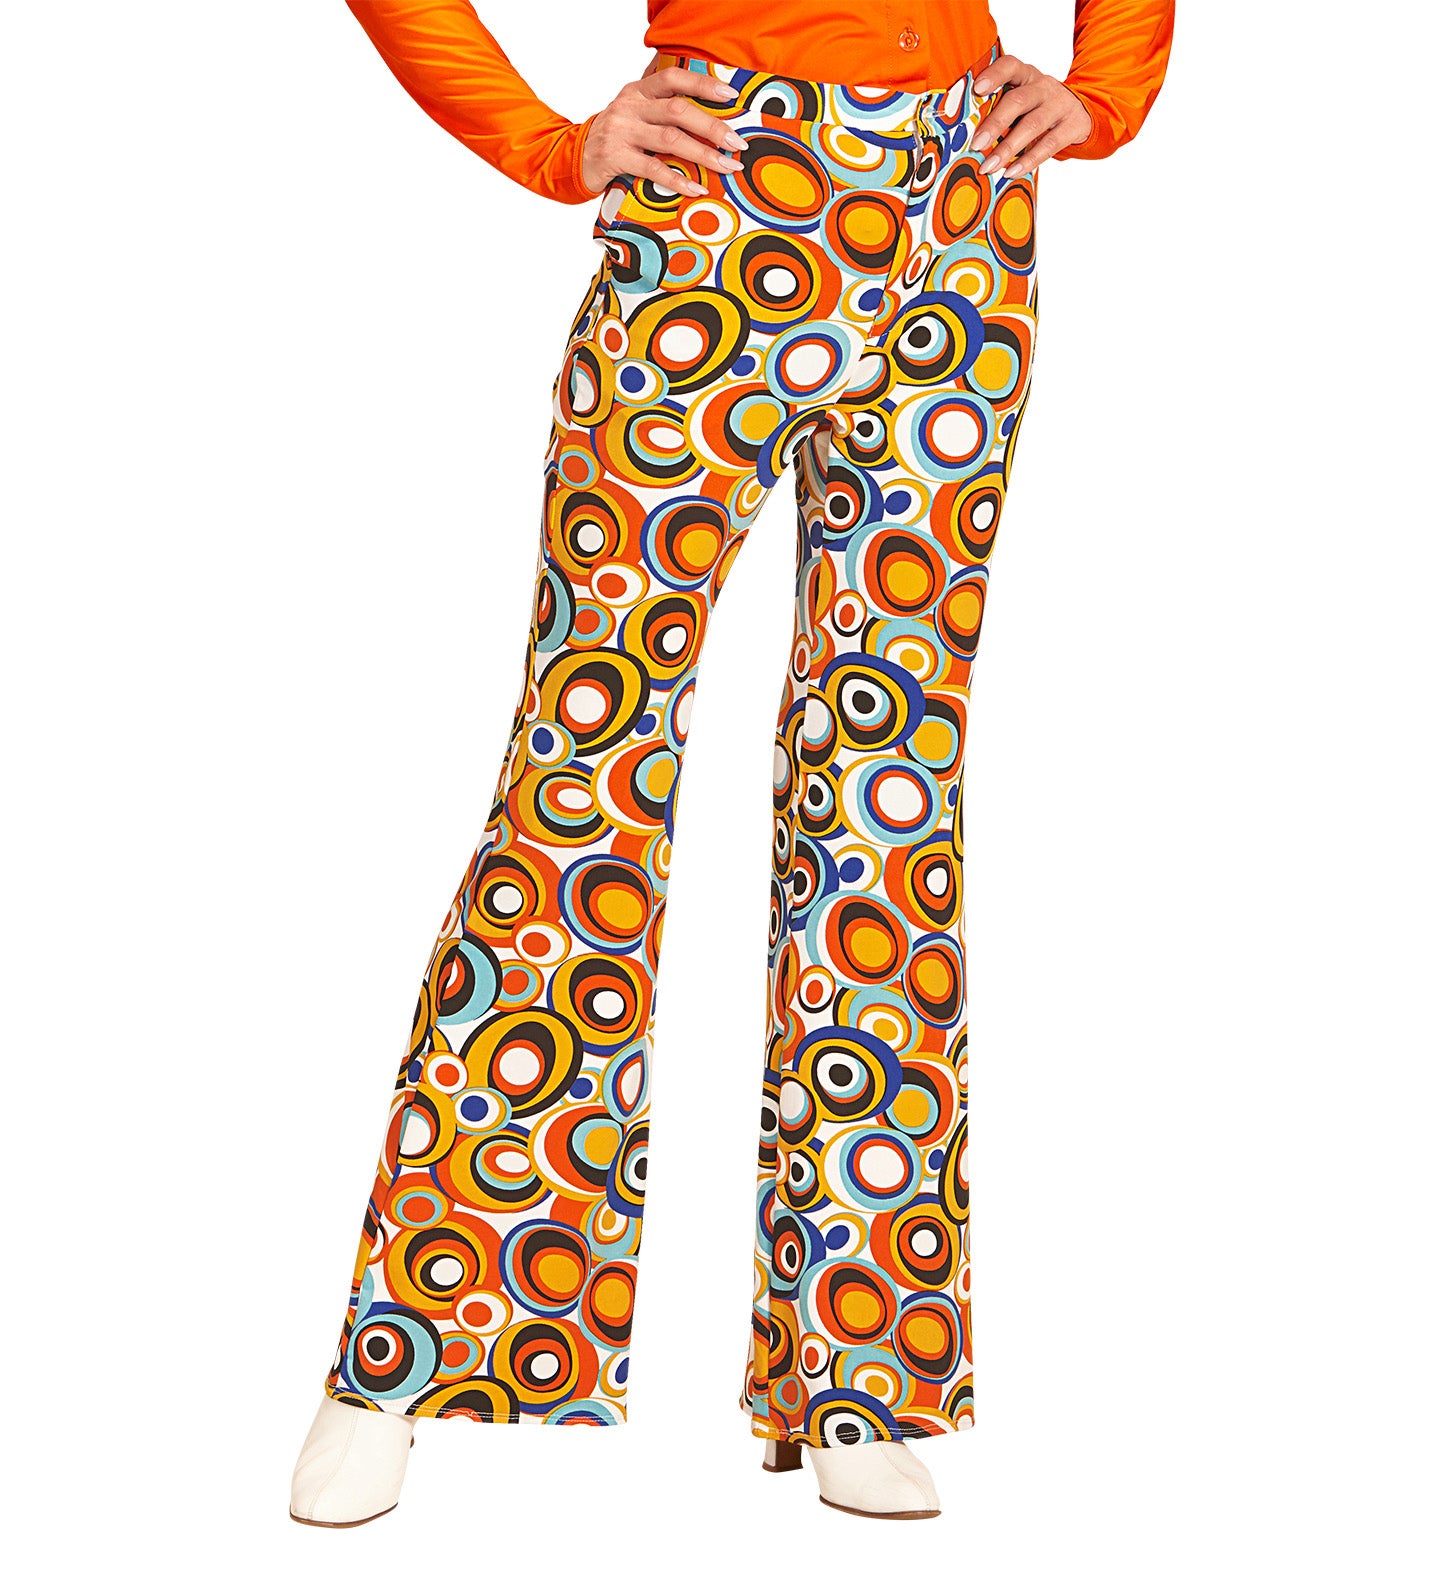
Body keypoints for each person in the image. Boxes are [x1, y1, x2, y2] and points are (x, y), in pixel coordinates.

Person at [290, 0, 1174, 1527]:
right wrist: (547, 144)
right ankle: (413, 1352)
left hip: (962, 218)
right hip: (719, 197)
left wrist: (1107, 90)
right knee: (586, 763)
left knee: (890, 793)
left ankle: (857, 1368)